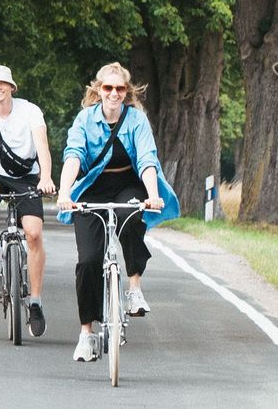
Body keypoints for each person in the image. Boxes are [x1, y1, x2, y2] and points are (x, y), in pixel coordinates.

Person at [56, 62, 179, 362]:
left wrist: (151, 196)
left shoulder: (136, 120)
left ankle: (134, 286)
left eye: (120, 88)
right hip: (92, 188)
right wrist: (64, 193)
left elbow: (147, 159)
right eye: (108, 88)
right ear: (98, 90)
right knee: (88, 261)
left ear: (127, 92)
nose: (114, 93)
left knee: (130, 217)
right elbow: (73, 155)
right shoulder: (85, 119)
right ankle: (87, 333)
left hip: (128, 183)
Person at [0, 64, 56, 338]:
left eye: (2, 83)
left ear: (12, 87)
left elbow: (42, 146)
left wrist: (46, 178)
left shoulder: (30, 111)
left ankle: (36, 301)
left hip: (26, 175)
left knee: (34, 234)